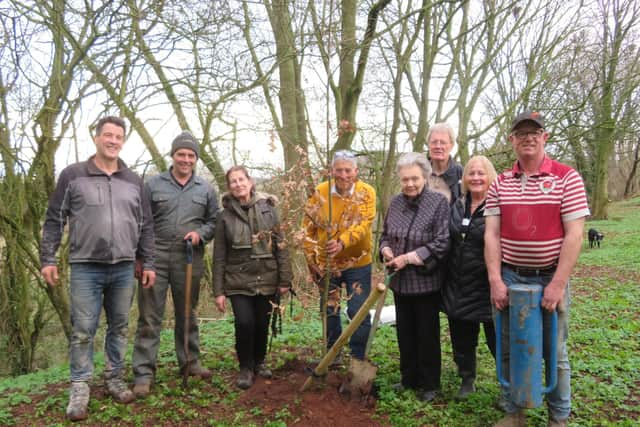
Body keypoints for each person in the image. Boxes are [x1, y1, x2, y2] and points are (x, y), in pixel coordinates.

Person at [40, 116, 156, 422]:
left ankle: (114, 378)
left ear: (123, 141)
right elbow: (55, 219)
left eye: (118, 136)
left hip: (124, 268)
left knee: (118, 327)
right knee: (83, 330)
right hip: (85, 267)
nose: (113, 140)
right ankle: (80, 386)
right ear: (96, 137)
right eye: (108, 135)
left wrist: (149, 262)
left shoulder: (133, 181)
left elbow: (146, 225)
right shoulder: (73, 175)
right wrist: (48, 258)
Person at [485, 111, 589, 427]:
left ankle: (558, 417)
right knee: (507, 344)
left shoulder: (566, 177)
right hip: (510, 274)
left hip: (549, 275)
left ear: (545, 137)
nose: (528, 137)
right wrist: (495, 280)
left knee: (553, 350)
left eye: (535, 132)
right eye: (521, 132)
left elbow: (574, 235)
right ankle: (514, 410)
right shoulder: (500, 182)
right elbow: (491, 234)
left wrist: (557, 283)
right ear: (512, 140)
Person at [131, 131, 219, 397]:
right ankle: (144, 374)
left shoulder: (205, 189)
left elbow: (214, 222)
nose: (186, 159)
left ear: (196, 159)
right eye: (181, 154)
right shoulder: (153, 185)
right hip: (154, 257)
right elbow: (140, 221)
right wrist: (139, 257)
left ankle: (190, 363)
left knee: (187, 313)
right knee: (149, 317)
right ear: (173, 155)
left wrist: (200, 235)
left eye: (191, 155)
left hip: (189, 257)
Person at [379, 152, 450, 402]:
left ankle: (430, 384)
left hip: (425, 281)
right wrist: (386, 250)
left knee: (427, 334)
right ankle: (409, 378)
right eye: (405, 179)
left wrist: (408, 258)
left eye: (415, 179)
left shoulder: (438, 203)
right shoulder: (396, 202)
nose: (410, 184)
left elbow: (442, 242)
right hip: (399, 283)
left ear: (425, 177)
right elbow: (385, 235)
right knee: (405, 333)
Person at [213, 166, 292, 389]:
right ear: (229, 187)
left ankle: (259, 362)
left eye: (241, 179)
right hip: (238, 280)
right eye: (233, 181)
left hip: (267, 276)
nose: (238, 184)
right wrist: (218, 291)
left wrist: (285, 279)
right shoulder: (224, 216)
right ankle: (245, 367)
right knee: (244, 322)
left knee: (262, 323)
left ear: (250, 181)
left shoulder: (269, 210)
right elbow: (219, 256)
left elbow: (282, 246)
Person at [303, 150, 376, 364]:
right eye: (338, 170)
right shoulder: (320, 192)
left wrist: (342, 241)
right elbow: (307, 229)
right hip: (327, 264)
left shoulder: (366, 192)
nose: (343, 175)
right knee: (330, 309)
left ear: (356, 171)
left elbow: (363, 224)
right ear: (331, 171)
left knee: (358, 310)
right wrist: (311, 259)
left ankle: (357, 357)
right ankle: (332, 355)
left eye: (348, 170)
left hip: (358, 262)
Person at [442, 155, 498, 399]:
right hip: (459, 283)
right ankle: (467, 378)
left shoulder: (498, 207)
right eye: (471, 173)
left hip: (488, 284)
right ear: (464, 178)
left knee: (497, 339)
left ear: (490, 178)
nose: (475, 178)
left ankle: (507, 386)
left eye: (480, 173)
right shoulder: (457, 205)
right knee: (462, 337)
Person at [427, 122, 463, 202]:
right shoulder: (420, 172)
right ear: (428, 144)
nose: (438, 146)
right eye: (434, 142)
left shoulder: (460, 173)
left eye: (443, 142)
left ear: (451, 145)